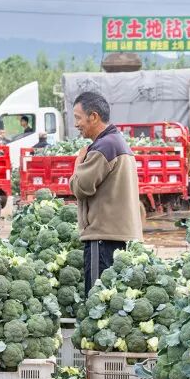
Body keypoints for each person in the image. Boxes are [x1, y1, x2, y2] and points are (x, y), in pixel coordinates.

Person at [69, 91, 142, 298]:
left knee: (97, 300)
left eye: (78, 117)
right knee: (113, 301)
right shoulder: (117, 142)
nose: (76, 124)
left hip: (102, 237)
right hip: (119, 235)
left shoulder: (103, 146)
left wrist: (78, 162)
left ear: (93, 116)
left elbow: (80, 187)